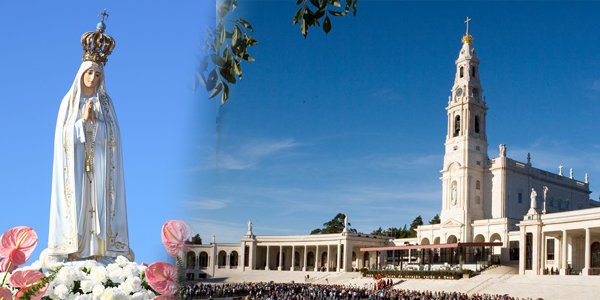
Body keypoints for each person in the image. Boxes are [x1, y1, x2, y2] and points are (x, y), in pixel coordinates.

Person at [43, 15, 131, 265]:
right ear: (81, 74)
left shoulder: (106, 103)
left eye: (98, 74)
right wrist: (82, 123)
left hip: (100, 167)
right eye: (89, 73)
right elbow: (62, 140)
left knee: (98, 204)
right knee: (79, 204)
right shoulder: (69, 103)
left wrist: (97, 123)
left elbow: (114, 139)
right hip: (77, 167)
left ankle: (97, 249)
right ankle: (73, 247)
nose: (93, 78)